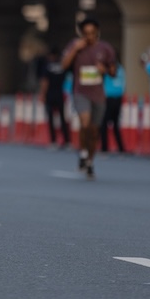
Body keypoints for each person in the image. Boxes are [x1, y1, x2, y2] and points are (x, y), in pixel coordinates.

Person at [62, 17, 116, 181]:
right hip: (80, 92)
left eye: (92, 33)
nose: (89, 37)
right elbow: (63, 66)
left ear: (97, 33)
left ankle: (90, 161)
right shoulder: (75, 46)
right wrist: (75, 49)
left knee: (94, 131)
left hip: (98, 95)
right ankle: (83, 152)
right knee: (84, 122)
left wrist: (105, 69)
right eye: (86, 34)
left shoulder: (105, 48)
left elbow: (114, 71)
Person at [37, 46, 68, 149]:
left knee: (51, 118)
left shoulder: (47, 66)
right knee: (62, 118)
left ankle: (53, 141)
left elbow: (45, 81)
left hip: (50, 94)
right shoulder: (62, 65)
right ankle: (67, 141)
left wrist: (42, 94)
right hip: (60, 93)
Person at [100, 53, 126, 154]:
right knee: (115, 124)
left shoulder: (108, 69)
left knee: (105, 124)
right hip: (117, 98)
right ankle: (120, 148)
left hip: (109, 98)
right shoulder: (122, 70)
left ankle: (104, 148)